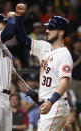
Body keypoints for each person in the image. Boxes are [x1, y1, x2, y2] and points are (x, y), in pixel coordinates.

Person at [15, 3, 73, 131]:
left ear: (61, 32)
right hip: (47, 104)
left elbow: (64, 83)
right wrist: (19, 17)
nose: (47, 30)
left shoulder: (64, 55)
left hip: (55, 104)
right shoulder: (45, 47)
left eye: (51, 28)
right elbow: (23, 39)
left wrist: (50, 101)